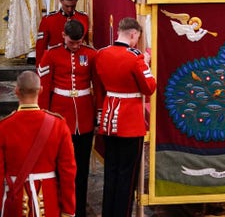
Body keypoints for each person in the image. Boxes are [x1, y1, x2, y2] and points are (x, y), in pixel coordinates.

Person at [94, 17, 156, 217]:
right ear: (132, 35)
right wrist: (146, 64)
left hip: (109, 117)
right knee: (127, 176)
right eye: (137, 38)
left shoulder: (102, 53)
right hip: (129, 121)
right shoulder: (135, 57)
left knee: (111, 170)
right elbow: (150, 87)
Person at [38, 20, 97, 217]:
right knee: (60, 166)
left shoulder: (90, 54)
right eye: (72, 43)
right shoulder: (51, 54)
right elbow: (44, 88)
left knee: (82, 168)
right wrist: (44, 117)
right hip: (60, 117)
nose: (76, 46)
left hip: (85, 117)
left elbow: (97, 85)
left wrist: (98, 112)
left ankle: (78, 209)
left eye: (79, 42)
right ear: (64, 35)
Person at [0, 70, 76, 216]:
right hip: (48, 201)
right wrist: (68, 210)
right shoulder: (58, 125)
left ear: (16, 91)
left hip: (15, 202)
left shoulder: (4, 127)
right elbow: (68, 173)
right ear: (41, 90)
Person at [35, 0, 89, 67]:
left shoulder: (83, 18)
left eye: (73, 6)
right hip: (56, 63)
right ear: (61, 1)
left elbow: (85, 46)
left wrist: (84, 65)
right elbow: (40, 47)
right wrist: (40, 69)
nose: (70, 9)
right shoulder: (48, 20)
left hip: (77, 63)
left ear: (77, 1)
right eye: (67, 6)